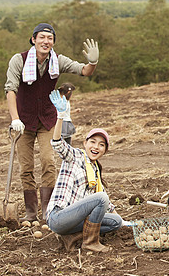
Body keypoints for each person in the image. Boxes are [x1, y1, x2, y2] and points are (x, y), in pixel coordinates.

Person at [4, 23, 100, 222]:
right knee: (26, 167)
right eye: (42, 37)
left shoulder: (57, 60)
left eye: (50, 38)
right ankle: (31, 212)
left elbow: (84, 71)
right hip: (23, 121)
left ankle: (49, 210)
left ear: (53, 42)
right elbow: (10, 90)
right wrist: (14, 119)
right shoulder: (18, 60)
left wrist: (93, 62)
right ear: (33, 39)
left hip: (47, 120)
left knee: (48, 162)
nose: (46, 41)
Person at [45, 90, 122, 252]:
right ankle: (90, 242)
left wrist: (126, 221)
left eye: (101, 145)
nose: (96, 147)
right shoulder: (75, 156)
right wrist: (60, 116)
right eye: (93, 142)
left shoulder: (95, 172)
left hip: (76, 220)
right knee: (101, 197)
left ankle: (73, 236)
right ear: (85, 143)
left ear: (105, 151)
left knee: (116, 222)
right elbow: (57, 143)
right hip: (59, 216)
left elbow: (107, 206)